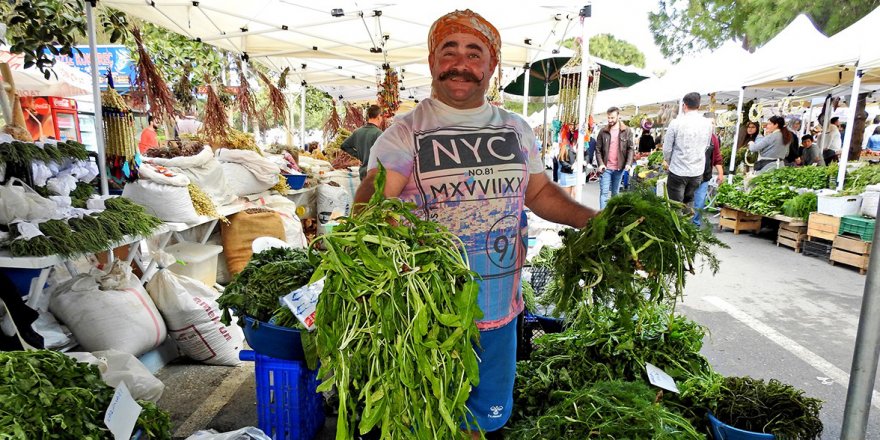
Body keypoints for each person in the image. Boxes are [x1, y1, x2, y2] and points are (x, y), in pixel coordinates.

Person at [352, 9, 598, 435]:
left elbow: (538, 193)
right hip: (426, 315)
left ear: (491, 65)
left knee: (479, 422)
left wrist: (595, 223)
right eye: (449, 51)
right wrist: (376, 225)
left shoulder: (516, 130)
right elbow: (373, 201)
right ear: (432, 62)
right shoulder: (406, 133)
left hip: (498, 310)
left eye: (474, 53)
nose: (461, 64)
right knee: (424, 419)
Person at [662, 92, 713, 205]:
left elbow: (667, 148)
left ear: (684, 105)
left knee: (675, 205)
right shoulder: (707, 124)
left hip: (678, 170)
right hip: (697, 171)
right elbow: (707, 145)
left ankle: (678, 223)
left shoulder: (676, 123)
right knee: (688, 203)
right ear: (699, 106)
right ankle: (688, 222)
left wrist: (669, 161)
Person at [595, 107, 635, 209]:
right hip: (606, 168)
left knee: (615, 194)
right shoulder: (603, 131)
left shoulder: (627, 131)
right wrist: (601, 164)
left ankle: (612, 217)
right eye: (608, 118)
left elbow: (630, 149)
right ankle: (602, 217)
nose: (610, 120)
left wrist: (628, 164)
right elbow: (598, 149)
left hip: (619, 168)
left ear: (618, 116)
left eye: (612, 118)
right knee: (604, 193)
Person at [341, 104, 384, 179]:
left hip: (363, 173)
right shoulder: (379, 133)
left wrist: (359, 156)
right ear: (378, 116)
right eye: (381, 116)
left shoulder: (357, 132)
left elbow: (344, 146)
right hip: (375, 174)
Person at [692, 120, 723, 226]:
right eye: (710, 122)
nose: (712, 125)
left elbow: (717, 157)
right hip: (689, 174)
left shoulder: (713, 138)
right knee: (684, 200)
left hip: (704, 175)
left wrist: (720, 173)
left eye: (713, 123)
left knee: (700, 202)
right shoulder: (692, 135)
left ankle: (695, 224)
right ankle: (682, 224)